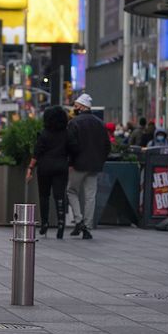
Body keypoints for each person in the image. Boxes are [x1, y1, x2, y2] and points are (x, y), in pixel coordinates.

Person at [65, 93, 111, 240]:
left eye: (76, 106)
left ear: (83, 107)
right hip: (95, 165)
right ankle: (87, 225)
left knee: (71, 191)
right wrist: (100, 160)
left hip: (78, 164)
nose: (74, 109)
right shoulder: (100, 123)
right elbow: (107, 146)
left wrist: (70, 162)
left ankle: (78, 220)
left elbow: (71, 145)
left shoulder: (74, 123)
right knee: (90, 196)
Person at [26, 106, 70, 239]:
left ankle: (44, 223)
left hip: (45, 167)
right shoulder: (66, 133)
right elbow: (73, 148)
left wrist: (30, 168)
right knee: (60, 195)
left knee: (44, 195)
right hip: (61, 167)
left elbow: (37, 152)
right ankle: (61, 225)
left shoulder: (44, 134)